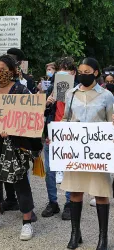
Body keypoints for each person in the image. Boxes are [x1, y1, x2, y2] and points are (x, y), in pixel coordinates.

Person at [0, 55, 42, 241]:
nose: (0, 72)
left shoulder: (21, 91)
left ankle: (27, 223)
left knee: (20, 179)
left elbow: (31, 118)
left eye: (3, 68)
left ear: (13, 70)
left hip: (15, 142)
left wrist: (13, 129)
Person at [60, 57, 113, 250]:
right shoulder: (70, 94)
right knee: (75, 191)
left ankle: (103, 238)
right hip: (76, 152)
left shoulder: (107, 96)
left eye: (87, 72)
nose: (83, 74)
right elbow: (66, 118)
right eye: (80, 71)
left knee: (101, 193)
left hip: (98, 153)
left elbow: (110, 123)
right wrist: (57, 132)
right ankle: (75, 233)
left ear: (96, 73)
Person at [42, 57, 78, 220]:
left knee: (69, 169)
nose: (62, 74)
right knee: (50, 171)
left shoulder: (80, 91)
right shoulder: (52, 89)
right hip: (52, 133)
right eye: (59, 70)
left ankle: (69, 203)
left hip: (70, 134)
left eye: (66, 70)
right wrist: (47, 103)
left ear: (73, 73)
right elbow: (42, 112)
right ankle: (52, 203)